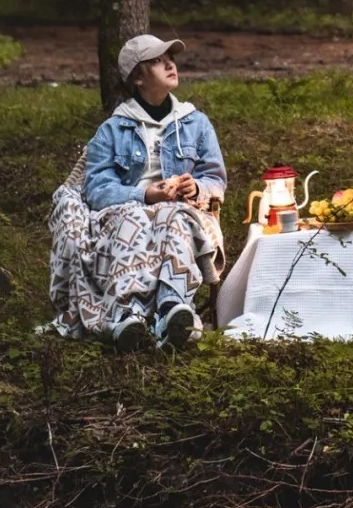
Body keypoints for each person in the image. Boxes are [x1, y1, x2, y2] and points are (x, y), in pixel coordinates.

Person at [46, 34, 227, 351]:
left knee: (173, 217)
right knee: (135, 220)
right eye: (157, 60)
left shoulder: (196, 123)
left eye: (170, 57)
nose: (170, 63)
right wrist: (144, 194)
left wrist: (195, 186)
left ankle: (173, 310)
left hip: (181, 210)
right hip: (127, 210)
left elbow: (215, 179)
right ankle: (127, 317)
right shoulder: (113, 130)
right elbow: (97, 189)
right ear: (138, 78)